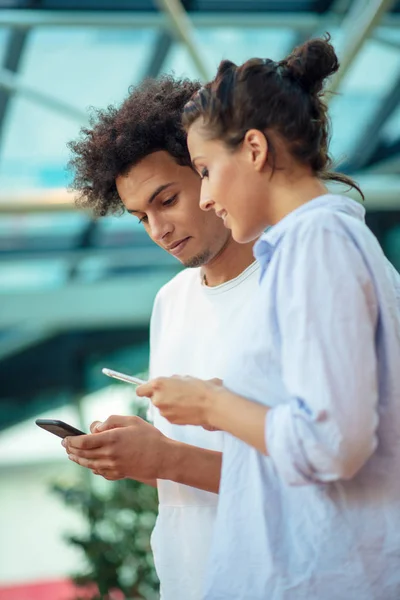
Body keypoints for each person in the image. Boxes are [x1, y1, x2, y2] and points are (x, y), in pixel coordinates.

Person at [137, 37, 400, 599]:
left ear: (254, 149)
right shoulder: (307, 245)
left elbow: (333, 443)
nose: (205, 197)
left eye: (205, 170)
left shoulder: (318, 243)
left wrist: (213, 406)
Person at [63, 76, 260, 600]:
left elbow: (335, 471)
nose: (159, 230)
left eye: (167, 199)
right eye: (140, 217)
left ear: (208, 167)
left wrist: (168, 459)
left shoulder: (300, 286)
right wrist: (139, 453)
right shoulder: (171, 301)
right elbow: (194, 468)